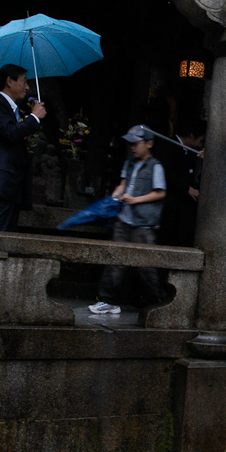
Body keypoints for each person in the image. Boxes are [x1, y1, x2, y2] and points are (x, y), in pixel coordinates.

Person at [89, 125, 166, 315]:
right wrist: (116, 195)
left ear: (149, 144)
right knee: (115, 260)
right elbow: (123, 183)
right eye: (130, 144)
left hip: (143, 223)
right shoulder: (129, 163)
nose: (132, 147)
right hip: (124, 219)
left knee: (146, 267)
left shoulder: (155, 166)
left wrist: (135, 200)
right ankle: (107, 300)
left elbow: (160, 192)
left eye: (136, 143)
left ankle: (160, 302)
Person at [0, 64, 46, 231]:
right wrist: (34, 117)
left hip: (11, 188)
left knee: (7, 237)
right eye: (24, 81)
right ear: (9, 81)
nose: (27, 87)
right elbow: (10, 133)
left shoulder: (13, 110)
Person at [156, 120, 205, 247]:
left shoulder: (190, 151)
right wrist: (186, 188)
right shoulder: (168, 146)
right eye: (200, 140)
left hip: (181, 208)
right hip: (169, 203)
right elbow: (167, 173)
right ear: (192, 135)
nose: (199, 144)